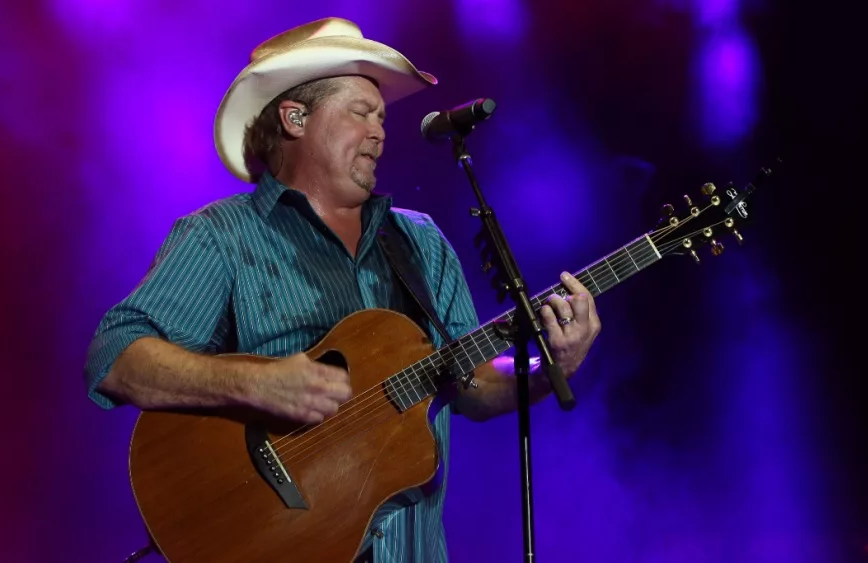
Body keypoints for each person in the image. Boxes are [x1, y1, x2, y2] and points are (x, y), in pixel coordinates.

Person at [83, 17, 601, 563]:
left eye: (381, 117)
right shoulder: (221, 237)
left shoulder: (420, 241)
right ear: (295, 116)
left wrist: (550, 371)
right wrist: (258, 383)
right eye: (361, 112)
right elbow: (113, 356)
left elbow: (467, 385)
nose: (381, 131)